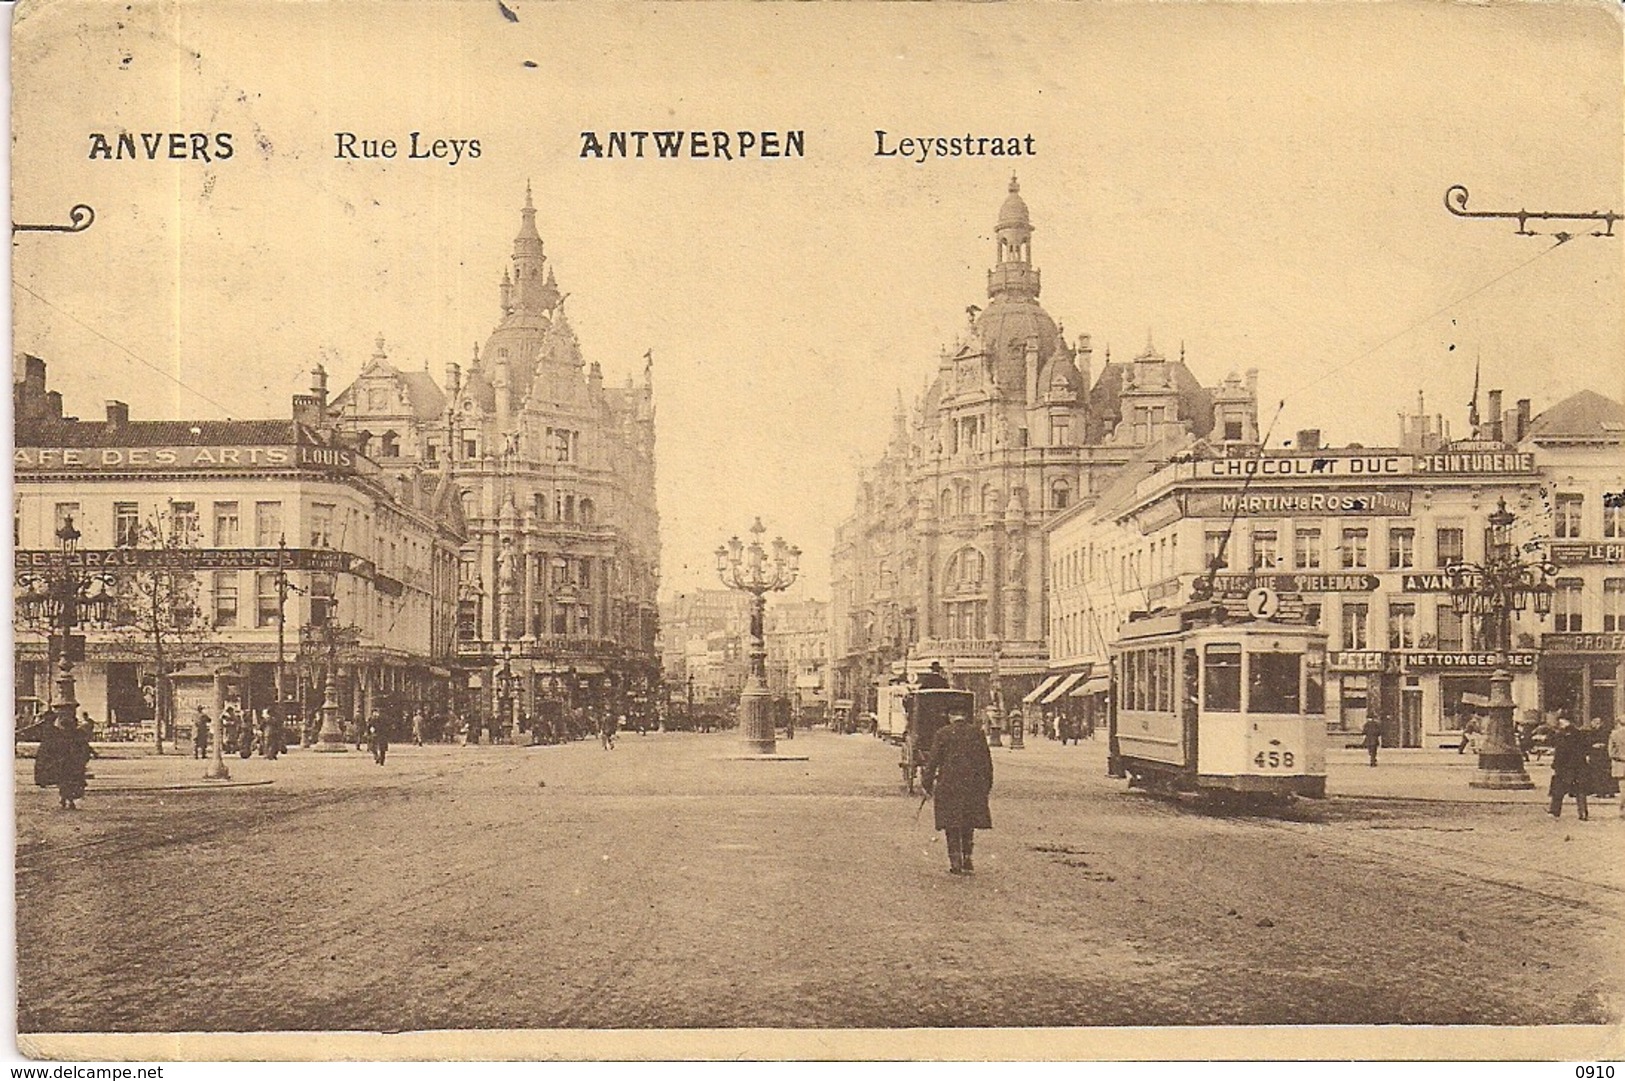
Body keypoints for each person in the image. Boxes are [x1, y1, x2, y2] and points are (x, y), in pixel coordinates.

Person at [921, 709, 994, 875]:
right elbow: (986, 762)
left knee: (951, 823)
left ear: (950, 716)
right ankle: (967, 857)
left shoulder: (943, 733)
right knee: (968, 822)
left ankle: (955, 860)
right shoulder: (977, 733)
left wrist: (927, 783)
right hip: (972, 785)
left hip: (949, 785)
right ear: (965, 716)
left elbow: (933, 761)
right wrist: (987, 785)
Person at [1548, 717, 1589, 821]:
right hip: (1579, 766)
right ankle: (1583, 812)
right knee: (1580, 791)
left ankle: (1554, 811)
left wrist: (1555, 765)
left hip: (1564, 767)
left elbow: (1559, 753)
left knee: (1558, 790)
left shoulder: (1562, 736)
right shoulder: (1581, 735)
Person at [57, 715, 94, 810]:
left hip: (68, 762)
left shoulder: (62, 735)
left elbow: (85, 746)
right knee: (71, 782)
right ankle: (68, 800)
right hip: (72, 763)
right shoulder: (77, 734)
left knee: (66, 782)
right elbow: (85, 746)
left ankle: (65, 799)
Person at [1608, 721, 1625, 819]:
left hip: (1620, 766)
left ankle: (1622, 811)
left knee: (1623, 790)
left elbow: (1611, 753)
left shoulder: (1614, 734)